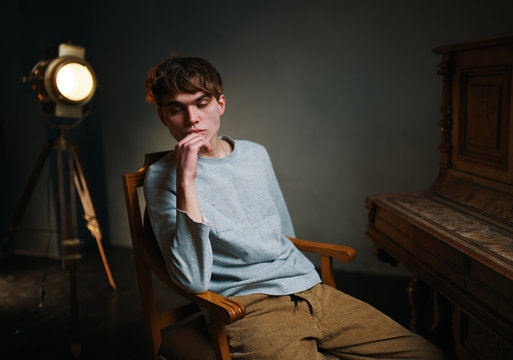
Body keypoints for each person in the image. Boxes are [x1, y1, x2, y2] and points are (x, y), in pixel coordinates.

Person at [143, 55, 445, 359]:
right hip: (248, 307)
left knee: (427, 355)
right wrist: (187, 181)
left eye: (201, 103)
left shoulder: (255, 154)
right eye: (176, 109)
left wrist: (301, 278)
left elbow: (283, 233)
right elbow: (192, 280)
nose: (192, 118)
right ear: (163, 117)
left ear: (220, 104)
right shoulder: (161, 178)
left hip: (310, 288)